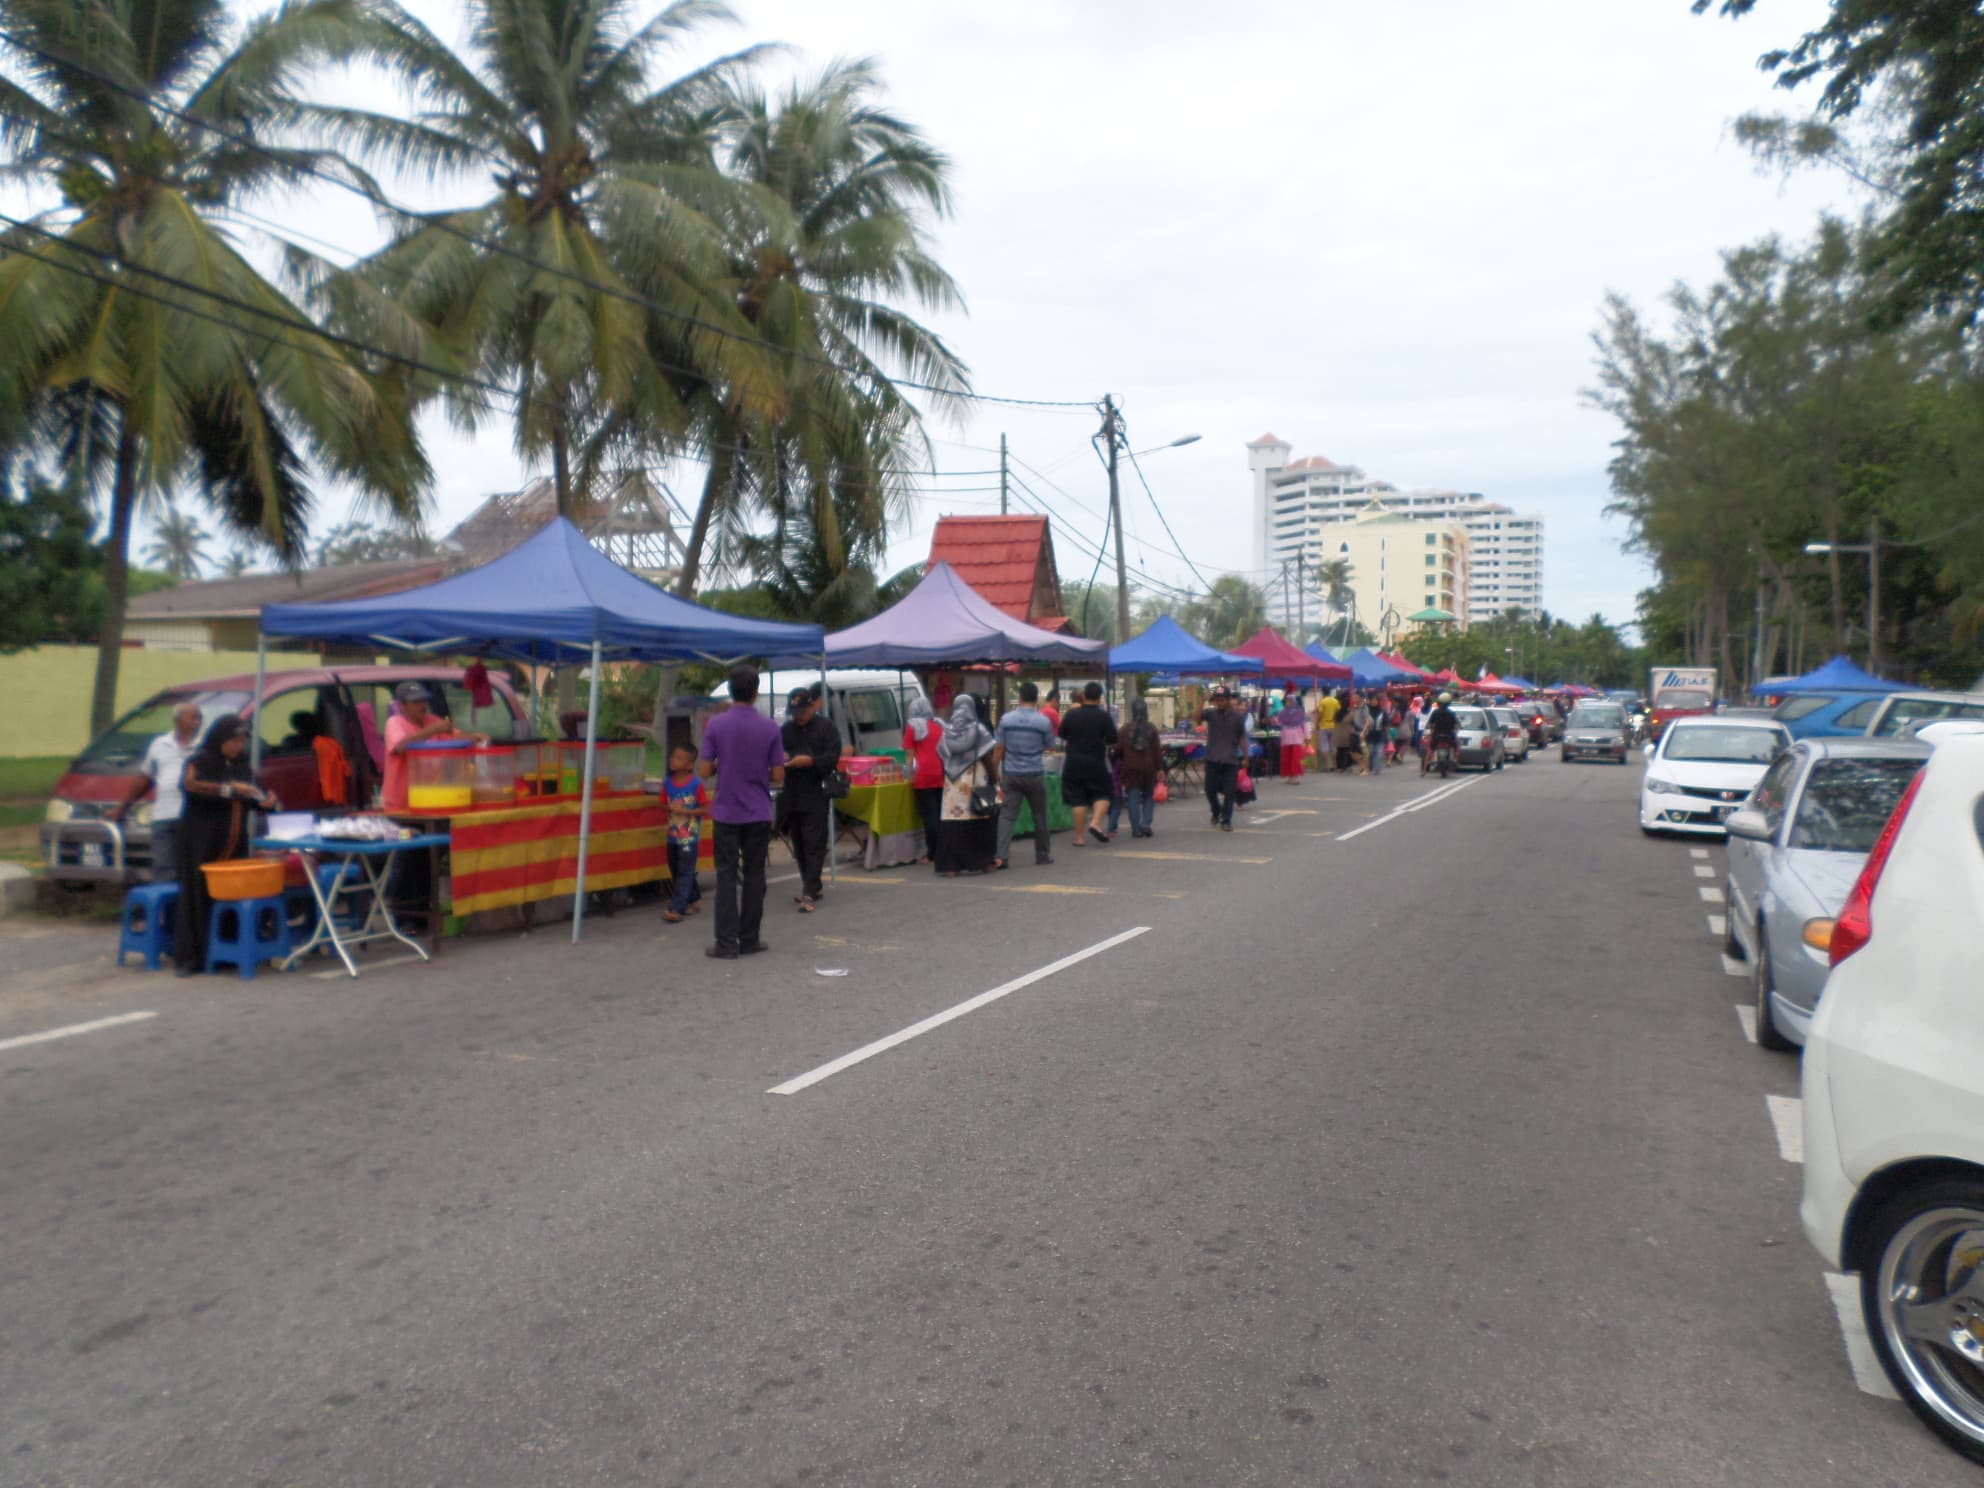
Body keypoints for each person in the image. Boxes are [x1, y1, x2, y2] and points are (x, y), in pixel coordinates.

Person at [171, 716, 276, 976]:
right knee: (196, 896)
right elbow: (190, 786)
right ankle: (190, 959)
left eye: (242, 741)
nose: (238, 746)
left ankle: (226, 953)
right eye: (234, 741)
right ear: (220, 739)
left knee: (231, 896)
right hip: (201, 842)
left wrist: (267, 802)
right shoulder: (200, 761)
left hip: (233, 845)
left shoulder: (241, 766)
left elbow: (253, 795)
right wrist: (229, 789)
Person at [698, 666, 786, 958]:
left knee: (725, 876)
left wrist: (725, 762)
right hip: (758, 810)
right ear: (756, 691)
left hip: (726, 810)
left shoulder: (715, 725)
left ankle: (726, 942)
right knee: (754, 875)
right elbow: (778, 774)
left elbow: (705, 769)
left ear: (730, 691)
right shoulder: (770, 727)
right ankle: (749, 939)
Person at [113, 701, 202, 883]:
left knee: (190, 868)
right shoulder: (159, 745)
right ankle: (166, 910)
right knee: (164, 868)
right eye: (192, 717)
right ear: (177, 720)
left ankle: (187, 910)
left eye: (199, 717)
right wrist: (123, 807)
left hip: (191, 817)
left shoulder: (203, 746)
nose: (197, 721)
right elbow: (144, 779)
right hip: (163, 817)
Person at [778, 686, 841, 914]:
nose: (799, 716)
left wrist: (810, 761)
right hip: (792, 793)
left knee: (814, 842)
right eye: (795, 712)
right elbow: (776, 755)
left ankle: (809, 890)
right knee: (799, 843)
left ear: (812, 706)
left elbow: (833, 757)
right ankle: (811, 883)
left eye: (803, 711)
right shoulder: (786, 730)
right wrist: (784, 759)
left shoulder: (826, 728)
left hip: (816, 791)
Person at [382, 681, 482, 812]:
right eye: (416, 702)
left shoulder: (433, 720)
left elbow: (456, 736)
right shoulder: (395, 723)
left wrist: (475, 737)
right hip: (400, 803)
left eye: (424, 700)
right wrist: (432, 731)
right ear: (403, 705)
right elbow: (400, 747)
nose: (423, 705)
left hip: (430, 799)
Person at [992, 681, 1057, 870]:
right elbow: (1050, 745)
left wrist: (994, 770)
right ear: (1036, 699)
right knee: (1040, 815)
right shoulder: (1043, 721)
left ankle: (1001, 856)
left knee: (1007, 816)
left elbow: (999, 748)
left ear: (1019, 697)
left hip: (1011, 774)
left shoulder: (1006, 720)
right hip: (1035, 773)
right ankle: (1042, 854)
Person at [935, 694, 997, 876]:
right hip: (974, 778)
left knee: (953, 821)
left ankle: (951, 867)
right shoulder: (979, 730)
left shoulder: (947, 731)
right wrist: (994, 778)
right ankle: (982, 862)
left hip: (952, 782)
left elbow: (942, 755)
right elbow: (986, 756)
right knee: (979, 816)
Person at [1057, 681, 1119, 846]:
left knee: (1078, 800)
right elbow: (1113, 739)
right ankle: (1095, 822)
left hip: (1073, 763)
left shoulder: (1071, 714)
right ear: (1100, 698)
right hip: (1096, 763)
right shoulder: (1104, 716)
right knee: (1104, 793)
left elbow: (1061, 733)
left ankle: (1079, 837)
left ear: (1084, 696)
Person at [661, 745, 709, 925]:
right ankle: (694, 897)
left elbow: (705, 808)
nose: (673, 760)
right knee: (675, 868)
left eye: (679, 758)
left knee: (685, 871)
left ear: (689, 765)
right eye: (673, 756)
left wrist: (687, 812)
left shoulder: (696, 784)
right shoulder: (667, 783)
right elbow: (662, 805)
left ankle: (676, 907)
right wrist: (670, 807)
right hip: (672, 836)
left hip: (689, 837)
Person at [1199, 687, 1250, 831]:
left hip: (1230, 760)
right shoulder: (1211, 714)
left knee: (1230, 792)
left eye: (1222, 700)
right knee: (1209, 790)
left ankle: (1226, 820)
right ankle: (1216, 811)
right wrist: (1201, 701)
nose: (1219, 703)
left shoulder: (1237, 718)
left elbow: (1241, 738)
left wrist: (1246, 757)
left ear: (1228, 700)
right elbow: (1196, 718)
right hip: (1212, 759)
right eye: (1217, 700)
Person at [902, 695, 945, 864]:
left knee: (929, 816)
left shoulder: (912, 727)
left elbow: (909, 755)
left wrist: (908, 776)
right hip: (940, 771)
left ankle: (932, 853)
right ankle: (943, 849)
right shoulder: (939, 725)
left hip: (923, 774)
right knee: (940, 813)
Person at [1113, 698, 1164, 838]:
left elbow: (1117, 750)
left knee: (1133, 799)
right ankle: (1146, 824)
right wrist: (1160, 769)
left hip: (1131, 769)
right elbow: (1157, 751)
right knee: (1148, 796)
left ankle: (1136, 829)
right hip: (1149, 769)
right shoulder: (1152, 728)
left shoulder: (1124, 729)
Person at [1275, 692, 1309, 784]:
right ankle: (1290, 776)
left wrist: (1307, 737)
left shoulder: (1300, 713)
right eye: (1286, 702)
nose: (1288, 703)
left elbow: (1305, 725)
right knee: (1287, 759)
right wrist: (1273, 718)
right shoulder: (1282, 713)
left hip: (1296, 739)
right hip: (1286, 739)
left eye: (1290, 702)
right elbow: (1278, 723)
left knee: (1295, 759)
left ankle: (1295, 777)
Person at [1423, 691, 1460, 774]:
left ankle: (1425, 769)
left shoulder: (1435, 712)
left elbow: (1431, 724)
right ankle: (1455, 759)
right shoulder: (1451, 713)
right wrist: (1456, 731)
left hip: (1436, 735)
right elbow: (1456, 725)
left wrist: (1431, 733)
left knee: (1430, 750)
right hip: (1449, 735)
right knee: (1456, 746)